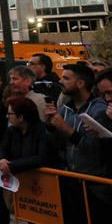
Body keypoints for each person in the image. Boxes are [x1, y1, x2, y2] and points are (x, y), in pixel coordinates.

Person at [45, 63, 111, 220]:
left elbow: (95, 149)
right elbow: (57, 145)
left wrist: (66, 129)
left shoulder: (99, 110)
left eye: (66, 78)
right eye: (104, 94)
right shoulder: (65, 109)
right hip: (72, 180)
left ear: (80, 83)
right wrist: (52, 126)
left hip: (96, 184)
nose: (61, 81)